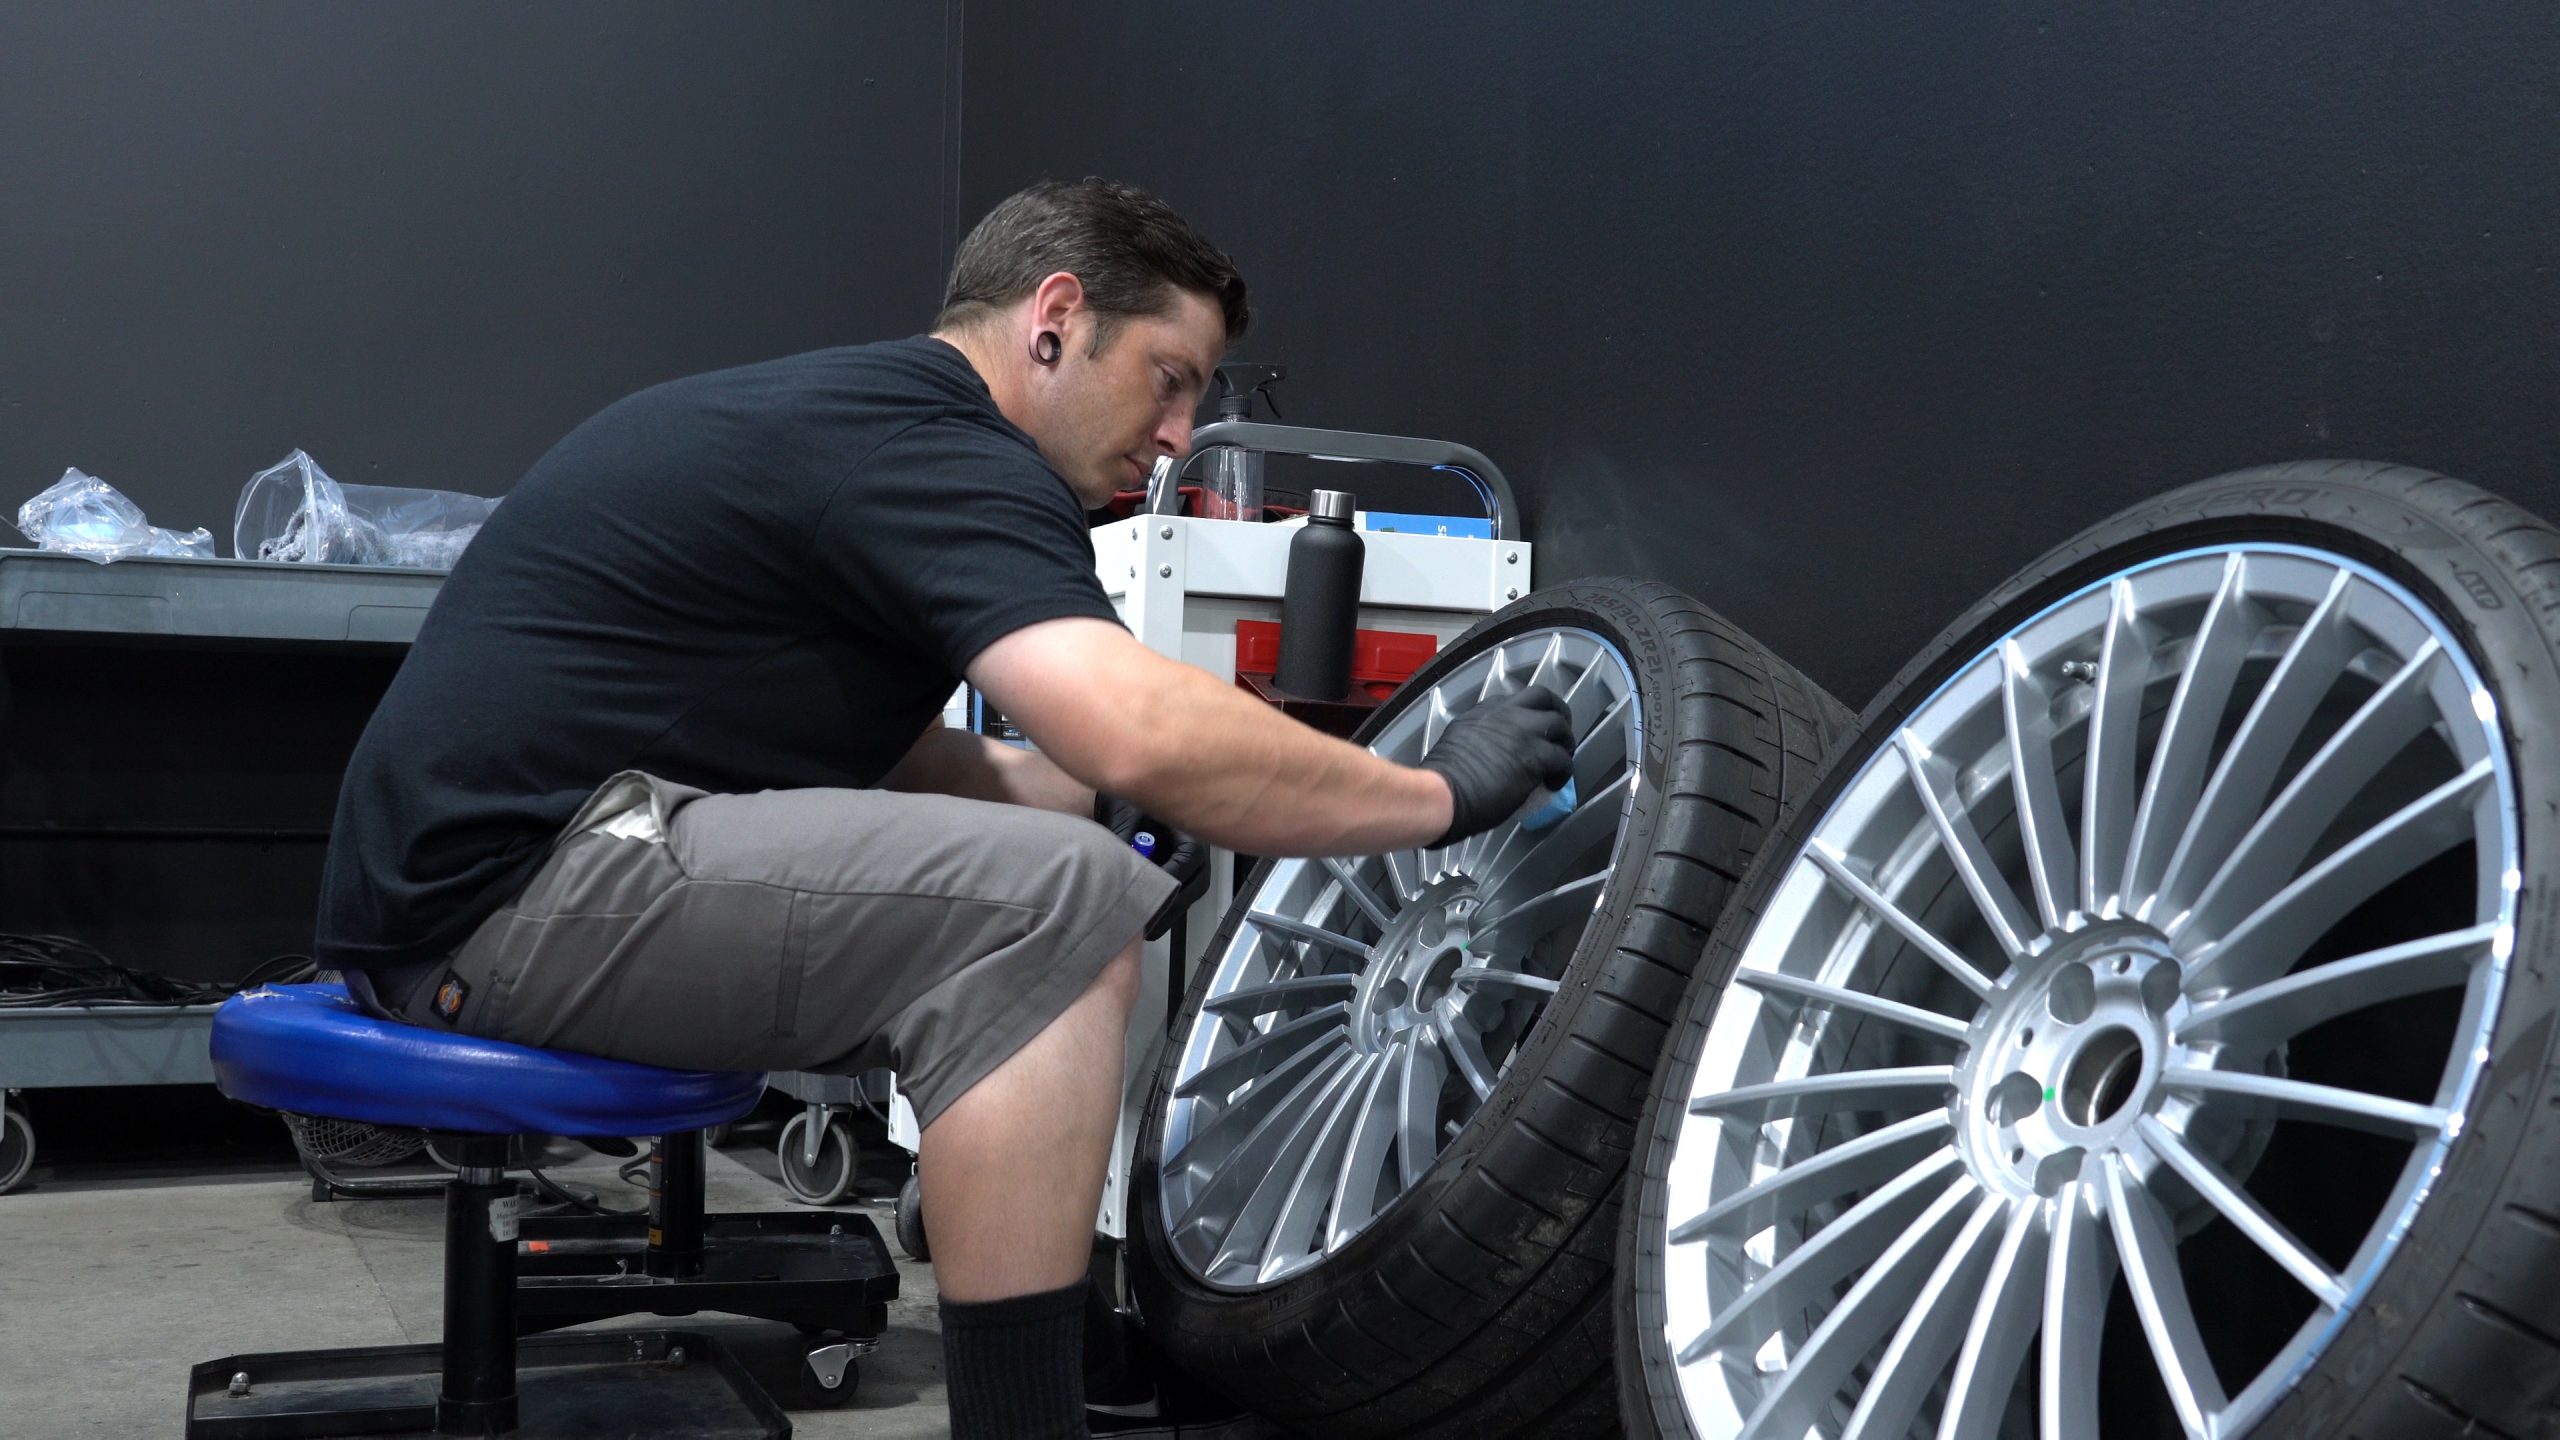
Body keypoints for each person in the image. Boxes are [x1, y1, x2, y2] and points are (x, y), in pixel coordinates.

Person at [315, 177, 1571, 1438]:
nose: (1181, 434)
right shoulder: (944, 450)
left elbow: (941, 765)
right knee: (1055, 912)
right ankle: (1030, 1413)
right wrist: (1435, 790)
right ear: (1055, 319)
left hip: (474, 889)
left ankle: (1065, 1343)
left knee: (1058, 873)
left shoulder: (855, 421)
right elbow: (1127, 721)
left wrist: (1132, 802)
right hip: (510, 897)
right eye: (1168, 377)